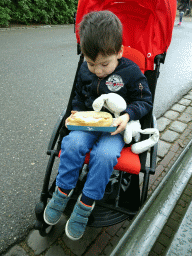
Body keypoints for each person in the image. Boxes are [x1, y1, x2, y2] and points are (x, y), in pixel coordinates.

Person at [44, 10, 153, 240]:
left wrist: (128, 114)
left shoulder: (131, 72)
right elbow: (78, 93)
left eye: (104, 64)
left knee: (104, 156)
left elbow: (145, 100)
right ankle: (62, 191)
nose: (98, 71)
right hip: (87, 122)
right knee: (71, 144)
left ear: (120, 52)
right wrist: (74, 111)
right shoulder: (85, 69)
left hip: (115, 128)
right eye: (91, 64)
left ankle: (86, 204)